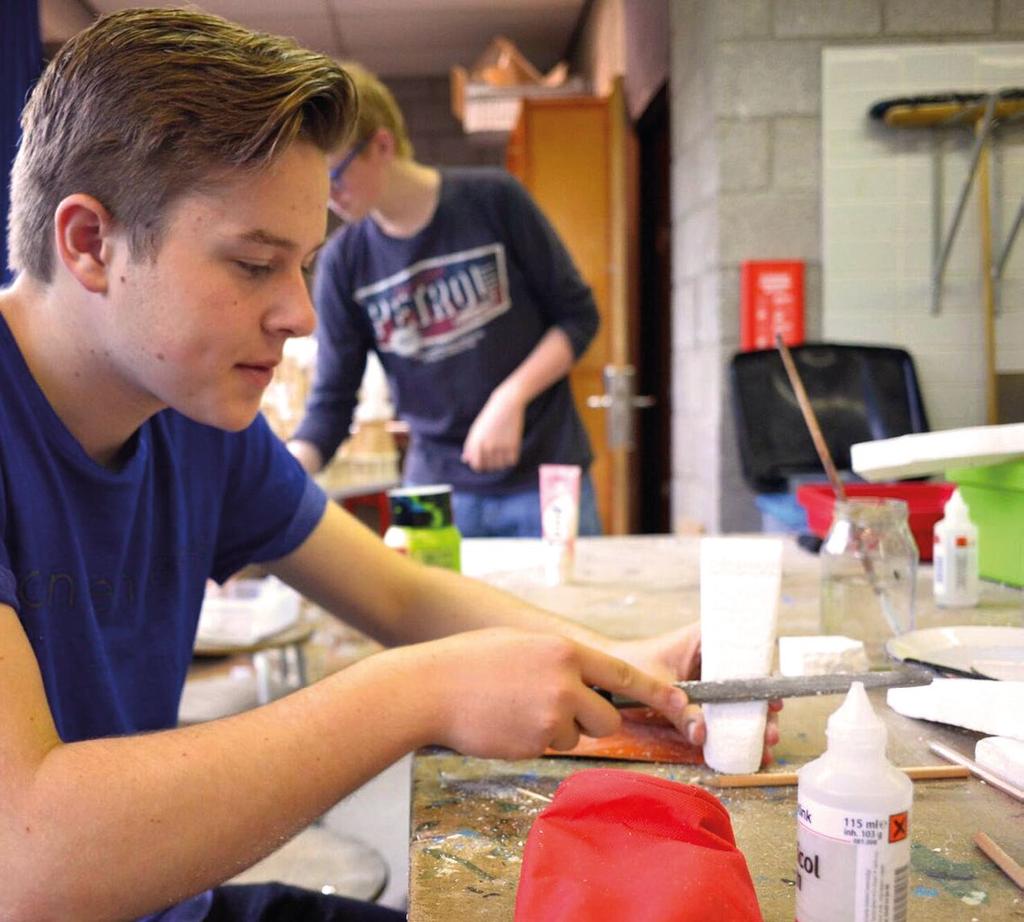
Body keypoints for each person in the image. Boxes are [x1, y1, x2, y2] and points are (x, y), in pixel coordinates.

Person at [0, 9, 779, 922]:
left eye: (304, 265)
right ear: (90, 243)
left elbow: (400, 597)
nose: (300, 314)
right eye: (254, 264)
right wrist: (425, 690)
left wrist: (615, 672)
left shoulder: (192, 411)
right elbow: (29, 856)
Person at [286, 62, 602, 538]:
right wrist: (281, 476)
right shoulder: (343, 264)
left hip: (544, 472)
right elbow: (331, 402)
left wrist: (509, 398)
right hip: (430, 483)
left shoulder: (495, 200)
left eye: (335, 175)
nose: (327, 197)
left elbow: (579, 317)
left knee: (568, 606)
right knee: (425, 607)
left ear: (382, 145)